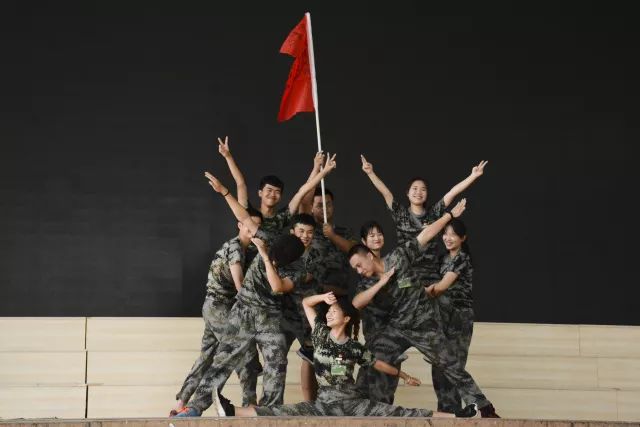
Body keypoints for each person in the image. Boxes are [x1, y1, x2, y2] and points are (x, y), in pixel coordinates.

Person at [210, 292, 477, 418]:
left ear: (346, 318)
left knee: (398, 412)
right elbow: (305, 303)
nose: (329, 314)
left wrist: (404, 375)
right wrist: (323, 298)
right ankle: (232, 411)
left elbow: (378, 364)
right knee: (283, 411)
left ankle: (457, 416)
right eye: (329, 312)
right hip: (323, 402)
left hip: (353, 401)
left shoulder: (354, 347)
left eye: (335, 312)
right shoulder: (319, 333)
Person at [349, 199, 497, 417]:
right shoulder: (367, 283)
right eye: (355, 269)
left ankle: (485, 408)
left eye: (359, 265)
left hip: (425, 325)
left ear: (369, 256)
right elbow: (356, 303)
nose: (359, 270)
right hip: (398, 328)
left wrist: (448, 216)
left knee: (450, 366)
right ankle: (360, 407)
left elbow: (425, 235)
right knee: (372, 356)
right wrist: (381, 283)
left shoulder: (398, 257)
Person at [360, 155, 488, 286]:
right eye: (414, 189)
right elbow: (386, 192)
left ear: (426, 194)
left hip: (430, 276)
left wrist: (473, 176)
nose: (419, 192)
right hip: (405, 275)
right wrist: (370, 173)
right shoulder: (400, 213)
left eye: (423, 189)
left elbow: (452, 193)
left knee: (434, 296)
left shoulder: (434, 213)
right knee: (402, 297)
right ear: (407, 193)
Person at [425, 219, 499, 417]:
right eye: (445, 233)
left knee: (454, 366)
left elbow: (440, 287)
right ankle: (449, 413)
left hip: (459, 317)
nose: (448, 238)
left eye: (453, 234)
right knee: (439, 368)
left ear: (463, 238)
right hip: (441, 317)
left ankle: (484, 407)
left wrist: (421, 292)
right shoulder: (442, 259)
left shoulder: (462, 258)